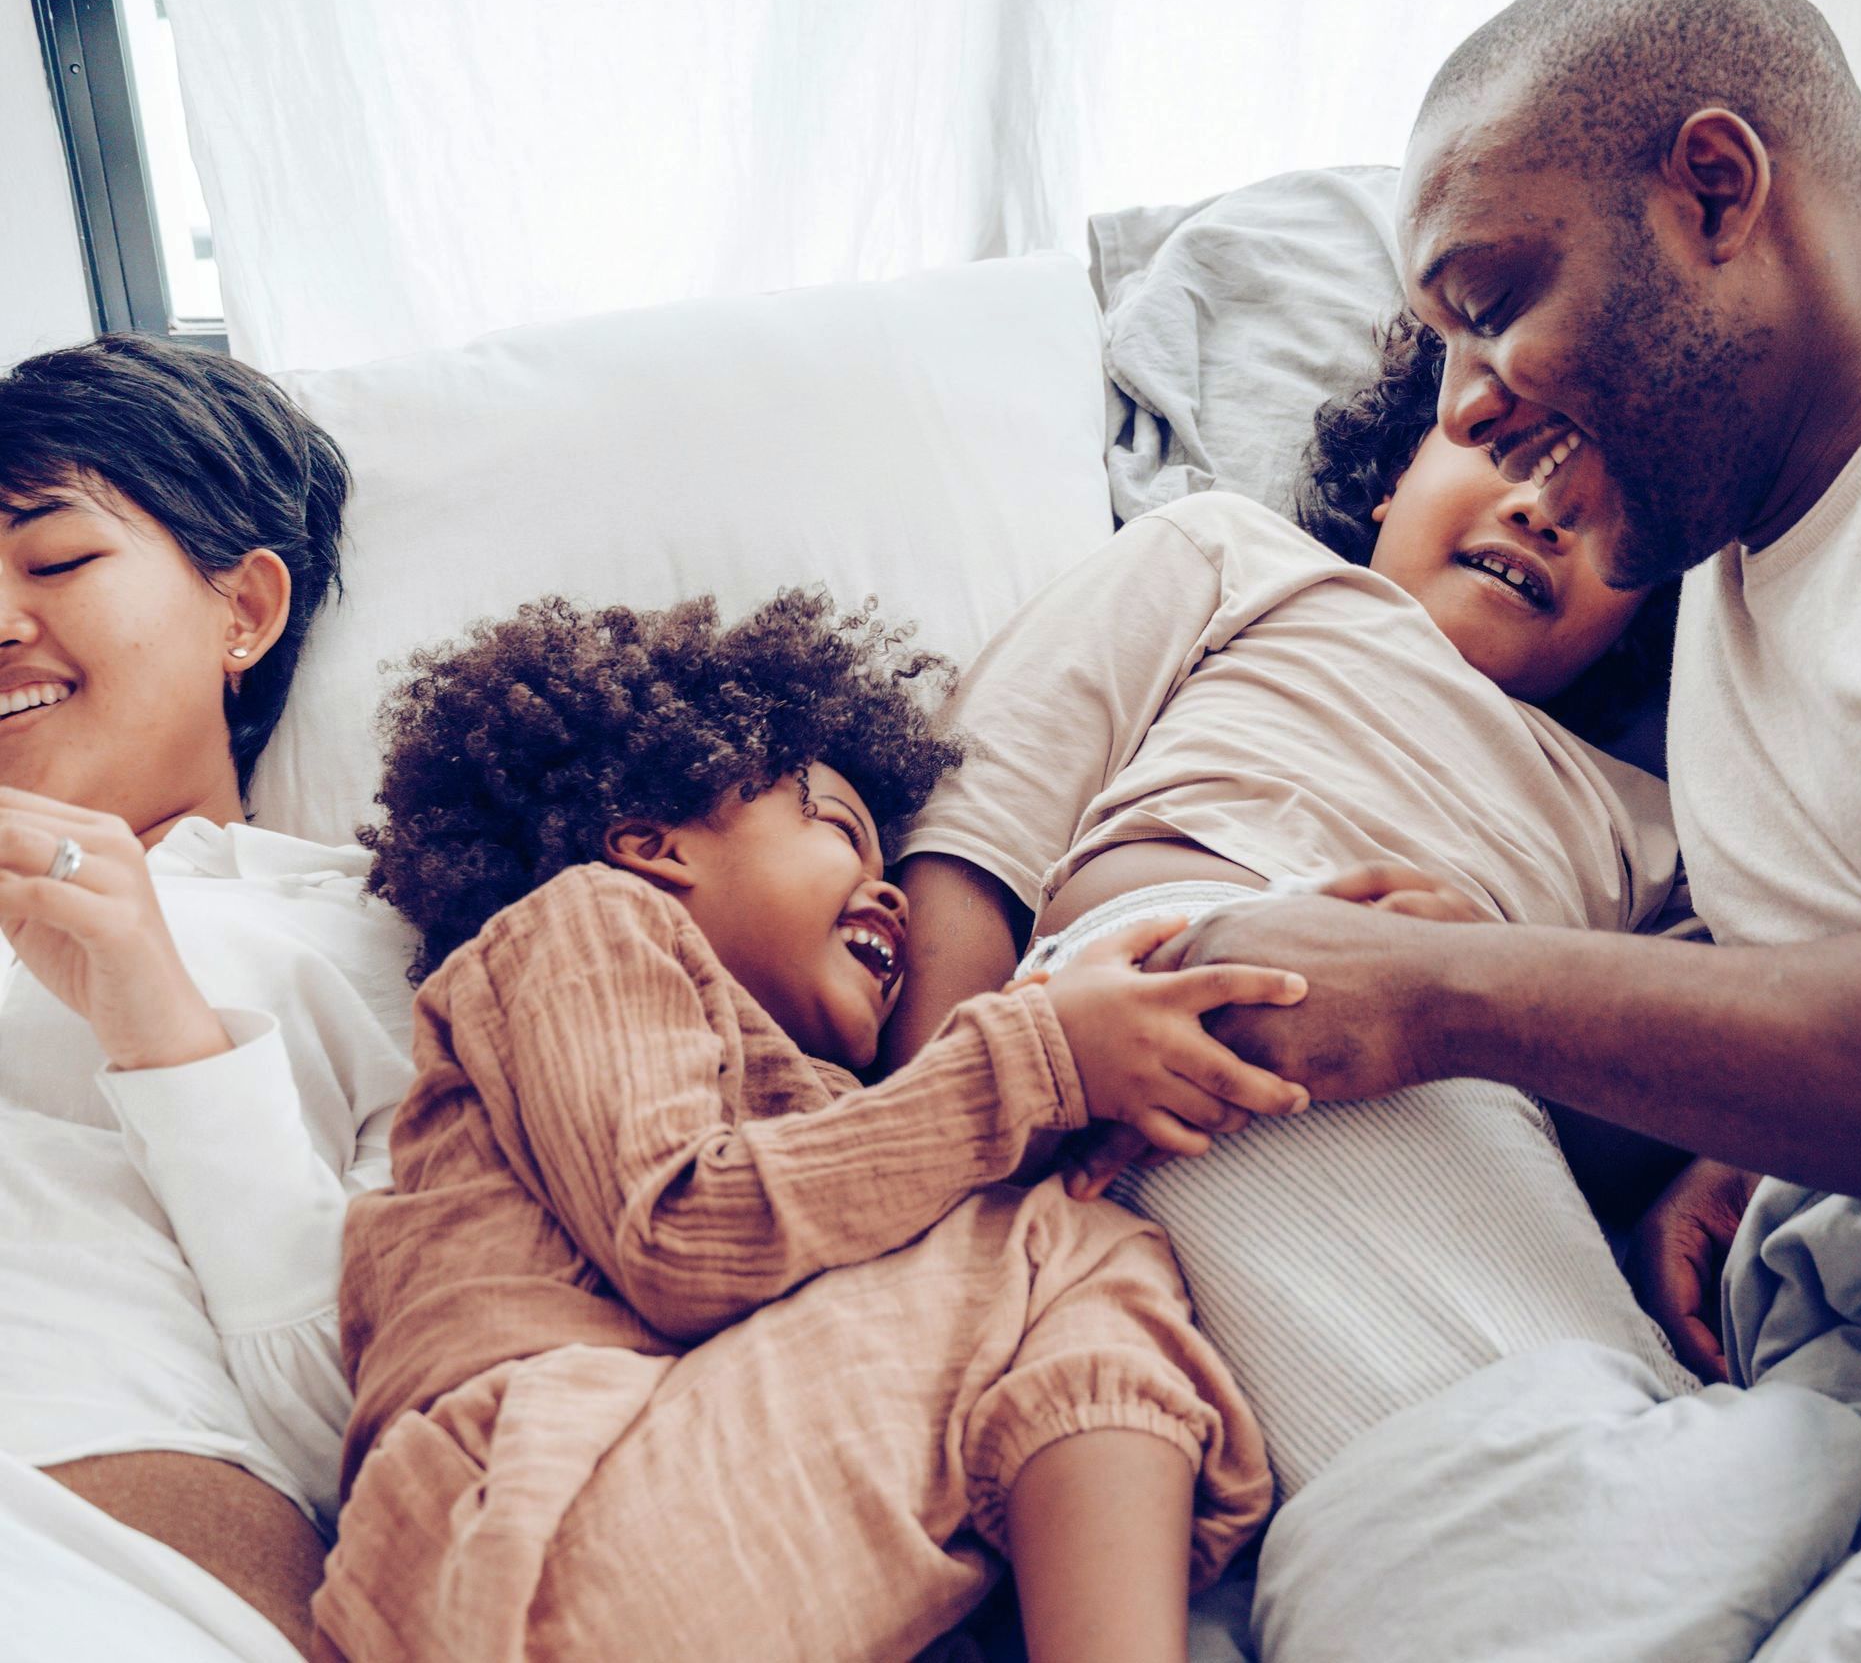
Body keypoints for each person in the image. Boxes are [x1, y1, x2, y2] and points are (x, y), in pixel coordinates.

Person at [1134, 0, 1861, 1660]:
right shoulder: (1718, 560)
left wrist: (1458, 999)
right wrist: (1728, 1132)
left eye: (1490, 305)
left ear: (1718, 187)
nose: (1472, 400)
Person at [315, 591, 1285, 1663]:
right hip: (530, 1522)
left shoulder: (830, 1112)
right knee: (1072, 1247)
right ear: (650, 842)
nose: (894, 895)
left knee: (1050, 1245)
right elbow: (682, 1227)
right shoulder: (584, 925)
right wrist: (1037, 1055)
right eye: (835, 824)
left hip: (654, 1532)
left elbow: (864, 1189)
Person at [889, 307, 1694, 1526]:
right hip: (1153, 995)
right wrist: (948, 1124)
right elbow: (977, 819)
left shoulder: (1662, 820)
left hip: (1471, 1087)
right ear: (1391, 476)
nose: (1542, 508)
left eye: (1609, 506)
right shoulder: (1239, 559)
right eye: (1510, 449)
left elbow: (1648, 1108)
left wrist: (1490, 983)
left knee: (1597, 1427)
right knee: (1544, 1479)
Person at [0, 336, 417, 1662]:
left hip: (92, 1534)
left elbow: (363, 1426)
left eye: (56, 560)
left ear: (244, 607)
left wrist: (164, 1032)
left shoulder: (377, 938)